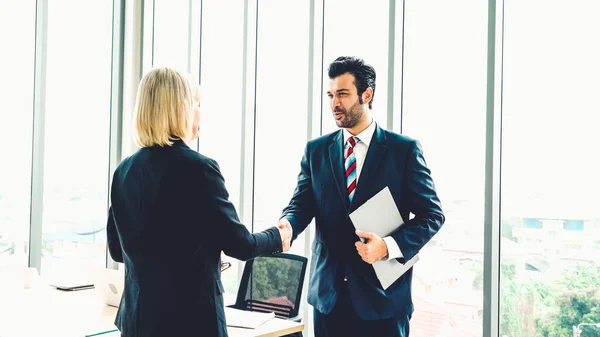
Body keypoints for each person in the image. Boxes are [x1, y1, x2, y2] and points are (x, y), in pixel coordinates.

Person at [107, 67, 292, 337]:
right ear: (181, 108)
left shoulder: (124, 171)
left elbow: (117, 249)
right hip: (190, 322)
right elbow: (240, 245)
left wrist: (197, 256)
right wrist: (279, 237)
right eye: (197, 103)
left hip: (138, 323)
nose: (199, 112)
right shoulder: (198, 168)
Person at [278, 56, 445, 337]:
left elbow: (432, 215)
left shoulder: (402, 151)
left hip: (383, 299)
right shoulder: (316, 150)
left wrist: (388, 246)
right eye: (330, 95)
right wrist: (288, 224)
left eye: (342, 94)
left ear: (366, 95)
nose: (334, 103)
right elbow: (302, 204)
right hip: (328, 298)